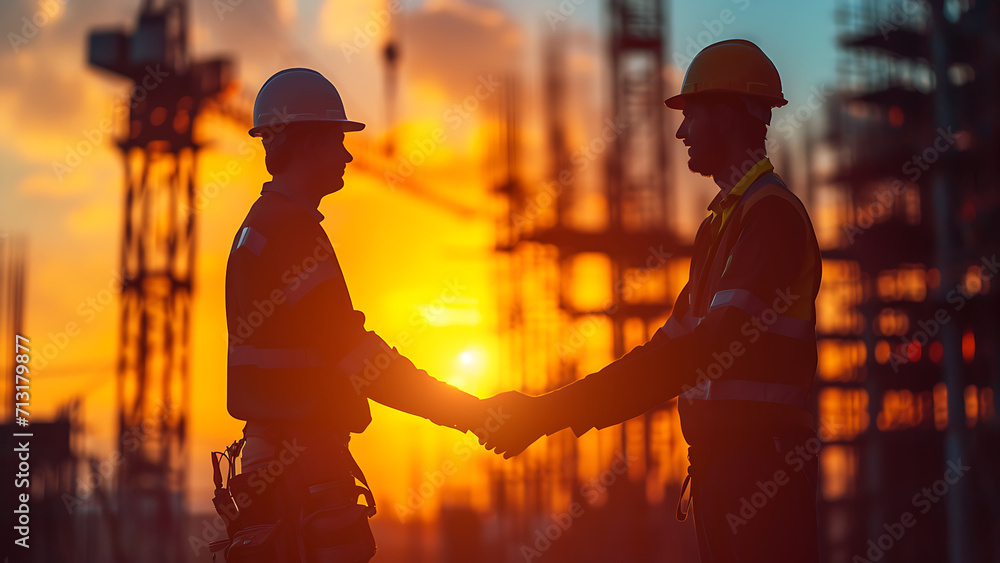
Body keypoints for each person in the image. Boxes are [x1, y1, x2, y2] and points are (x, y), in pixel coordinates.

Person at [483, 39, 823, 562]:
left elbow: (701, 351)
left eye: (694, 115)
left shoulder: (770, 218)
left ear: (731, 115)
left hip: (764, 473)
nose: (682, 132)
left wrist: (545, 415)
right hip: (724, 472)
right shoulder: (719, 228)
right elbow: (665, 356)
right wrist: (545, 414)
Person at [223, 67, 491, 562]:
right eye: (335, 139)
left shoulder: (262, 227)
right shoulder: (291, 232)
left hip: (275, 463)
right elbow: (355, 355)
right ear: (304, 142)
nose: (348, 154)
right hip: (301, 469)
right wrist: (468, 413)